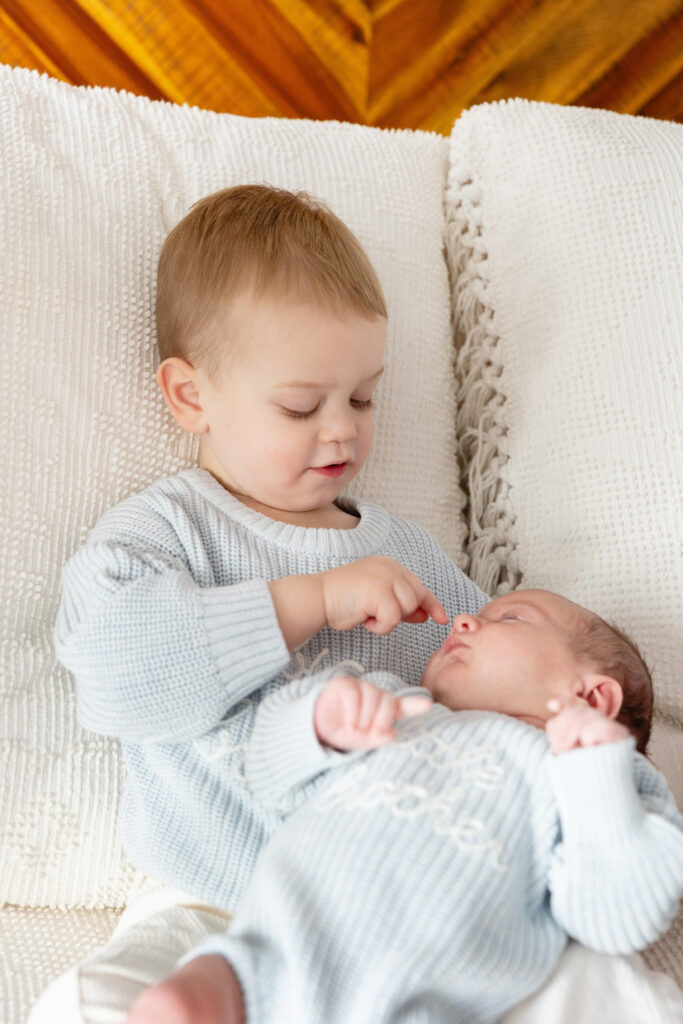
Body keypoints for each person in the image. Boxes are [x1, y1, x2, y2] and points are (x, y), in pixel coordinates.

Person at [49, 184, 487, 1006]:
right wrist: (311, 600)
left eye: (362, 398)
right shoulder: (161, 533)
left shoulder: (403, 550)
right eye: (299, 405)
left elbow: (480, 666)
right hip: (208, 897)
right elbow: (116, 675)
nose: (342, 430)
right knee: (100, 999)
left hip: (366, 904)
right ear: (191, 396)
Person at [125, 588, 683, 1024]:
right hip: (271, 949)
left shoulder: (595, 777)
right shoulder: (395, 705)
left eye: (510, 619)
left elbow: (617, 920)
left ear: (592, 696)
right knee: (175, 1007)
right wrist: (321, 723)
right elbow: (267, 779)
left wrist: (596, 774)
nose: (465, 621)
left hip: (424, 995)